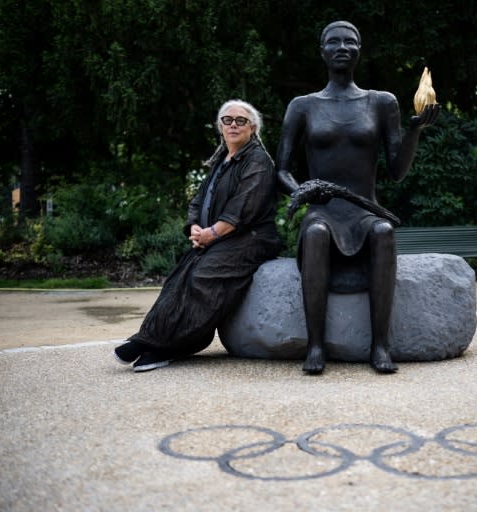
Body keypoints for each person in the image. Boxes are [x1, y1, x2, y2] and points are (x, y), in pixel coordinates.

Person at [276, 20, 440, 375]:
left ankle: (380, 345)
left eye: (350, 42)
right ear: (322, 51)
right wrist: (301, 191)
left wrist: (414, 131)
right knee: (317, 234)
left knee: (384, 232)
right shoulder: (303, 106)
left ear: (359, 51)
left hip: (365, 210)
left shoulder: (381, 103)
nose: (342, 48)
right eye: (333, 42)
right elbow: (282, 170)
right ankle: (315, 344)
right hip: (322, 211)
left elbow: (396, 171)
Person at [114, 99, 282, 372]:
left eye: (241, 120)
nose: (233, 125)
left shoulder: (257, 160)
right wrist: (194, 226)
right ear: (220, 126)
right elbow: (198, 201)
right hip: (222, 238)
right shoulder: (221, 160)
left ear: (252, 128)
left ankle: (171, 347)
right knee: (178, 279)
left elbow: (243, 206)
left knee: (204, 276)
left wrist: (212, 233)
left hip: (252, 239)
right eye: (228, 120)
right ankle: (147, 339)